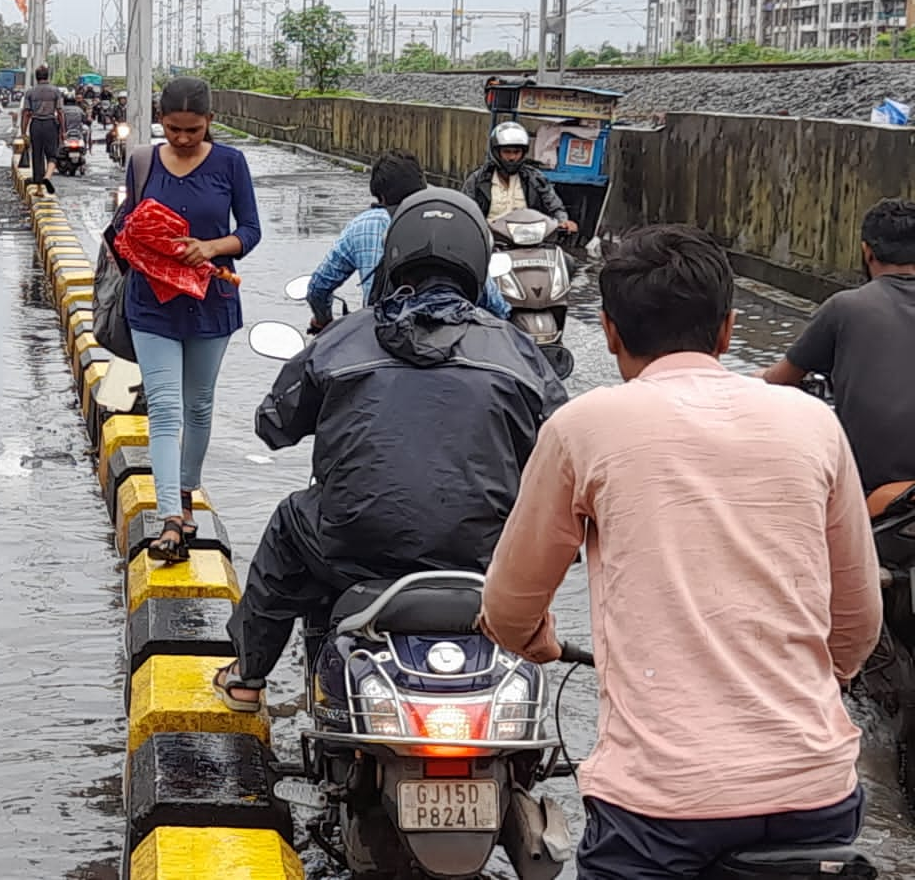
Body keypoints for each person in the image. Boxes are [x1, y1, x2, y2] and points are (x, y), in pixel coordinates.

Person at [479, 225, 881, 879]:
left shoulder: (584, 427)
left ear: (610, 333)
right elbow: (856, 624)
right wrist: (805, 684)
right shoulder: (814, 423)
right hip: (815, 789)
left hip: (659, 808)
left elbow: (510, 603)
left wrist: (537, 641)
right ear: (727, 330)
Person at [215, 187, 567, 709]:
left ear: (394, 256)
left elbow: (273, 426)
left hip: (355, 550)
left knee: (290, 524)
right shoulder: (517, 351)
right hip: (484, 556)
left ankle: (247, 678)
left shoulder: (342, 340)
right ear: (476, 263)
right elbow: (563, 450)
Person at [119, 77, 260, 563]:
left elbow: (251, 230)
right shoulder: (142, 161)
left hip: (211, 299)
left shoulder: (230, 164)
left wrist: (212, 247)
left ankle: (184, 492)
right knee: (164, 410)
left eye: (193, 131)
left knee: (198, 406)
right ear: (161, 121)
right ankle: (170, 520)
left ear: (210, 123)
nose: (181, 139)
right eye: (173, 129)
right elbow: (125, 225)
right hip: (151, 302)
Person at [762, 198, 915, 495]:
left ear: (866, 252)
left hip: (872, 491)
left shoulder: (845, 308)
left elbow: (778, 380)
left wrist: (747, 378)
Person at [307, 149, 510, 334]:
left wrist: (323, 321)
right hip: (457, 342)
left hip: (380, 342)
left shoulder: (362, 226)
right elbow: (495, 304)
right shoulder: (451, 221)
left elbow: (319, 287)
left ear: (381, 197)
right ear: (422, 187)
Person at [461, 122, 577, 232]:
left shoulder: (535, 178)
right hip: (491, 240)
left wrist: (563, 221)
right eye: (507, 152)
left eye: (516, 152)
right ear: (496, 152)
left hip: (530, 239)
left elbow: (554, 206)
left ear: (523, 153)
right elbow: (465, 210)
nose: (512, 157)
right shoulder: (478, 180)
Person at [20, 65, 63, 194]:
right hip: (50, 124)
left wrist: (23, 132)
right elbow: (60, 112)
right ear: (48, 76)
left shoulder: (30, 92)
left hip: (36, 125)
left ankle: (39, 189)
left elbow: (26, 113)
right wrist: (63, 130)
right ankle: (47, 177)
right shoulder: (55, 91)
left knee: (37, 155)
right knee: (52, 155)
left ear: (36, 77)